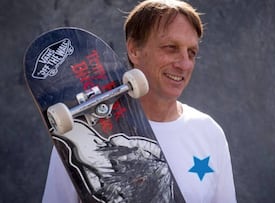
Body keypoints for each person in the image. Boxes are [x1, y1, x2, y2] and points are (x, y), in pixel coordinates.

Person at [42, 0, 237, 202]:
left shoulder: (208, 132)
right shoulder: (83, 135)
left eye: (191, 53)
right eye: (171, 47)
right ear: (134, 49)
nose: (184, 64)